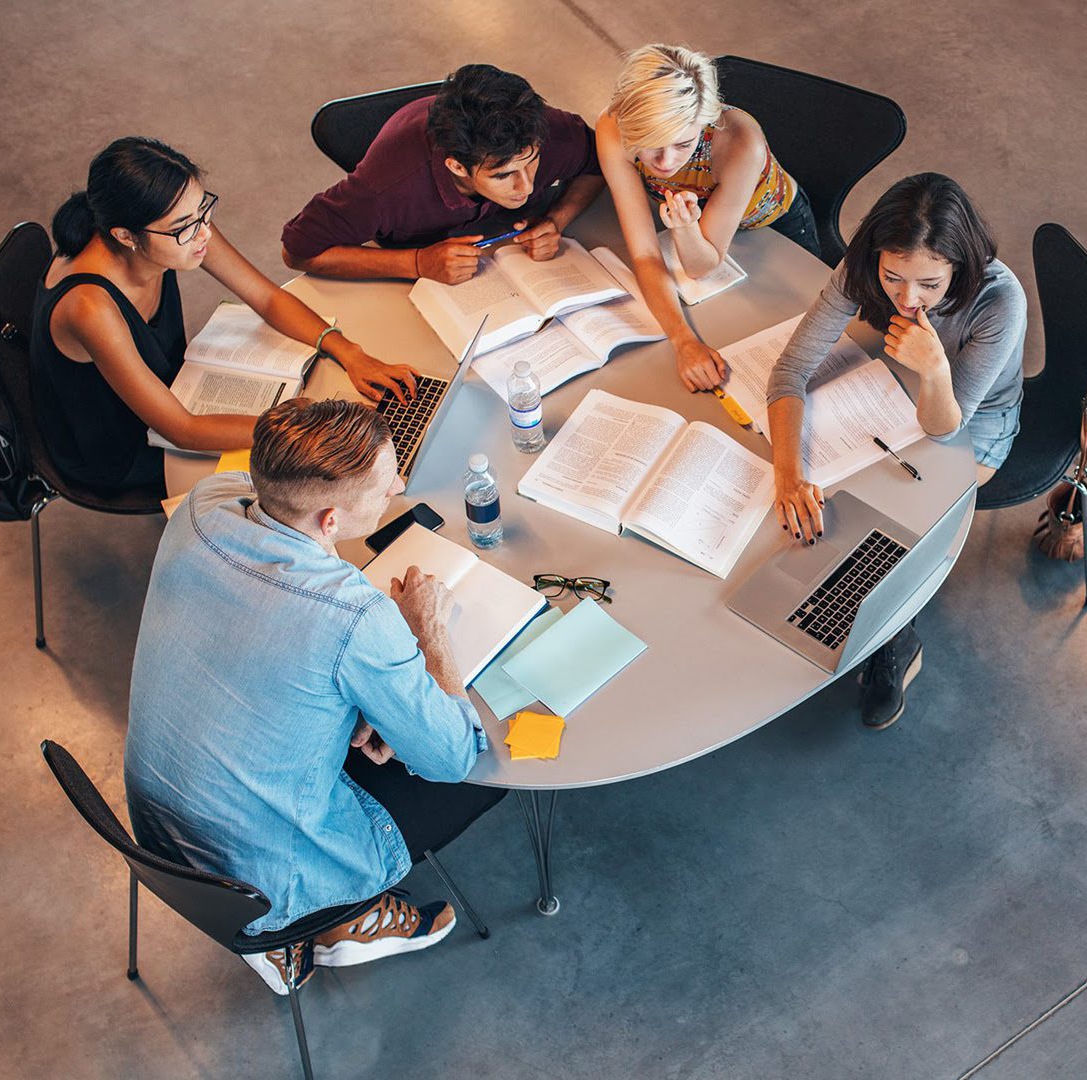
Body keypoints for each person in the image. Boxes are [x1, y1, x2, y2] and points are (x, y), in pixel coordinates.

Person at [125, 398, 507, 994]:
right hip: (258, 875)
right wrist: (426, 631)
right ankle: (338, 916)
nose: (400, 485)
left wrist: (353, 701)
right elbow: (452, 756)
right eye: (387, 484)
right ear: (330, 521)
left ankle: (311, 922)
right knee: (492, 776)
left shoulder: (204, 504)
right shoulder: (355, 616)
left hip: (158, 829)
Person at [766, 173, 1026, 730]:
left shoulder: (999, 301)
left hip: (974, 422)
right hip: (889, 391)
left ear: (960, 266)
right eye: (893, 279)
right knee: (827, 491)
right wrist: (788, 475)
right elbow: (789, 371)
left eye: (930, 285)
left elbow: (944, 429)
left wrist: (933, 368)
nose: (908, 300)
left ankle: (893, 635)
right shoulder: (861, 271)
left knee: (893, 515)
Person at [33, 137, 416, 494]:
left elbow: (265, 298)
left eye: (203, 211)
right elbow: (181, 429)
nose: (203, 234)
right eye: (185, 227)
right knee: (303, 481)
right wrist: (304, 423)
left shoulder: (177, 224)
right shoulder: (90, 308)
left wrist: (348, 352)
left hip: (171, 387)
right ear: (126, 236)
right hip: (122, 443)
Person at [595, 44, 822, 390]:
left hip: (773, 225)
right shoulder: (613, 129)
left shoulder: (740, 143)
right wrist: (683, 340)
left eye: (683, 144)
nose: (666, 162)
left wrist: (685, 230)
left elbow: (701, 266)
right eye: (652, 143)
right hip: (695, 222)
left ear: (706, 121)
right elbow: (644, 253)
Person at [282, 63, 605, 283]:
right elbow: (298, 251)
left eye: (531, 161)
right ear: (457, 166)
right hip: (424, 267)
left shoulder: (549, 132)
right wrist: (417, 263)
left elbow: (598, 165)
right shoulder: (386, 187)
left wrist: (556, 220)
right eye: (503, 175)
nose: (526, 186)